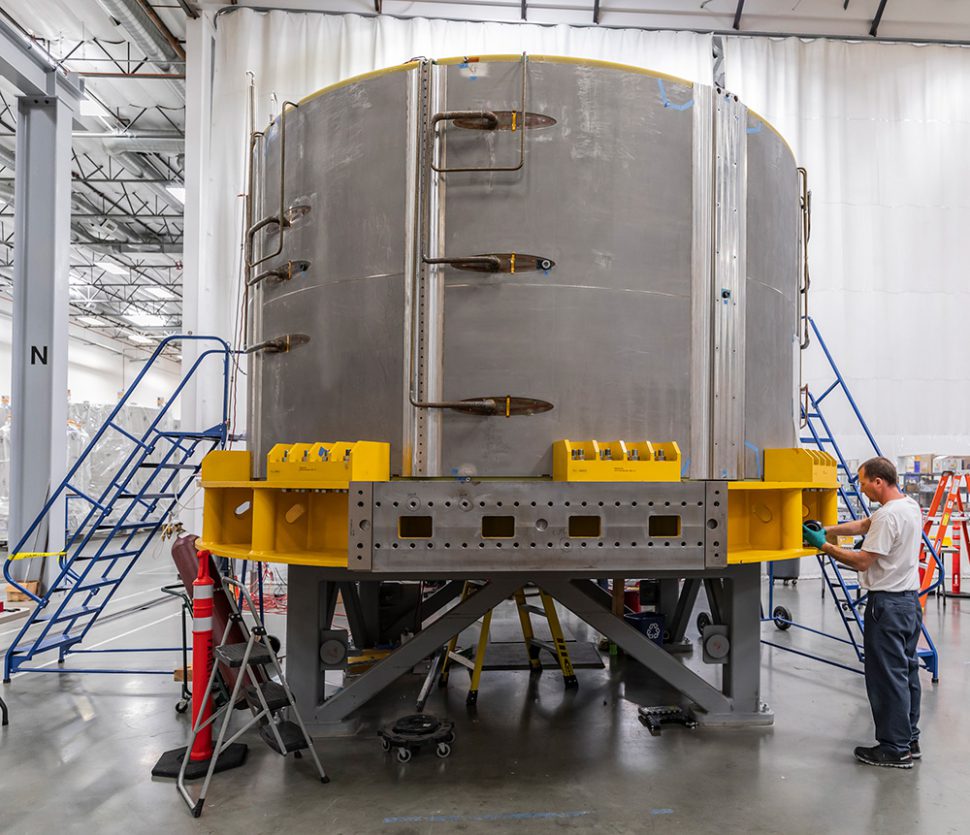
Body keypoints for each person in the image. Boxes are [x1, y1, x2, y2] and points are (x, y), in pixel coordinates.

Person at [802, 456, 923, 769]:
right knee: (906, 672)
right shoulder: (908, 506)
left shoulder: (888, 517)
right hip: (910, 603)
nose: (861, 487)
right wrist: (826, 529)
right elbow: (863, 524)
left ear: (878, 482)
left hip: (887, 606)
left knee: (886, 678)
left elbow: (862, 561)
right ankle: (909, 739)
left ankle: (894, 750)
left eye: (863, 481)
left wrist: (822, 546)